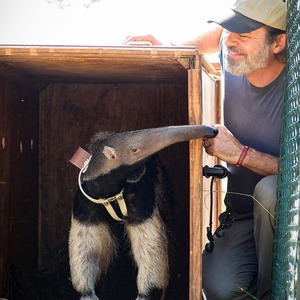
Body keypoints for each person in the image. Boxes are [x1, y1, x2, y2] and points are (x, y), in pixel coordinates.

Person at [124, 0, 287, 299]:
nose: (231, 41)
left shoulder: (293, 90)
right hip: (242, 214)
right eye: (230, 28)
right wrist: (172, 46)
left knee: (271, 191)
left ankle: (272, 293)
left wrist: (240, 154)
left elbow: (296, 176)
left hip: (286, 214)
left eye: (245, 33)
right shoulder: (238, 53)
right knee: (219, 288)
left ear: (278, 43)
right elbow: (216, 36)